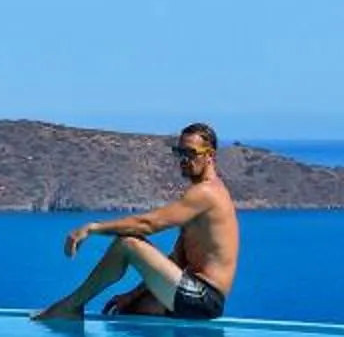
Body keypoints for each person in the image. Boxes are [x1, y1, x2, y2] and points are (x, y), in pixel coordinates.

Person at [33, 123, 241, 321]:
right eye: (180, 153)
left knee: (128, 243)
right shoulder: (202, 194)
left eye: (191, 153)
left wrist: (92, 228)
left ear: (210, 156)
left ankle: (71, 306)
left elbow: (148, 224)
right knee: (129, 311)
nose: (184, 159)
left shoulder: (206, 193)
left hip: (204, 298)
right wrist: (132, 295)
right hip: (196, 296)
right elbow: (177, 260)